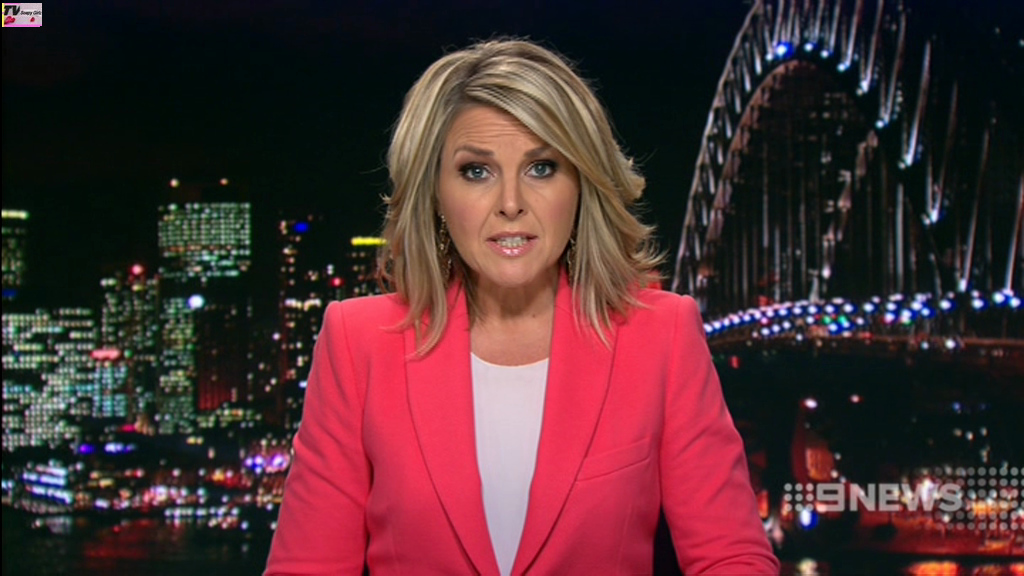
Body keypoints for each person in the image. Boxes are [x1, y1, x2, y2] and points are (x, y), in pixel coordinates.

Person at [265, 39, 779, 575]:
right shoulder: (357, 341)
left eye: (542, 168)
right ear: (435, 193)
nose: (511, 203)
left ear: (581, 184)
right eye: (476, 171)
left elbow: (732, 557)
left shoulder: (661, 334)